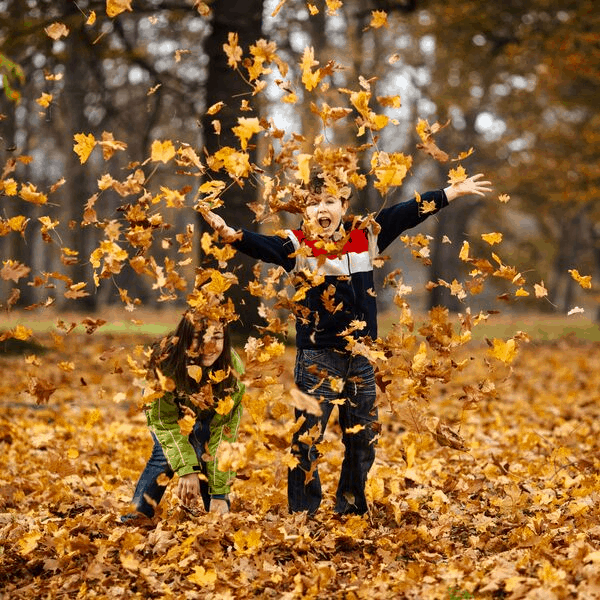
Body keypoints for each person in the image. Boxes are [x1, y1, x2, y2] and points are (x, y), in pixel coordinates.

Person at [201, 170, 491, 516]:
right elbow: (264, 245)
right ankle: (302, 511)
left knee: (362, 439)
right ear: (304, 211)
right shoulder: (297, 245)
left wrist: (450, 192)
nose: (321, 209)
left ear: (344, 205)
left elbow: (405, 212)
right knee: (307, 439)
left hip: (361, 357)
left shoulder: (365, 235)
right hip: (317, 358)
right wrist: (231, 234)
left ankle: (350, 506)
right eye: (313, 203)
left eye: (329, 201)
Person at [121, 311, 245, 521]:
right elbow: (164, 422)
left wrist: (220, 494)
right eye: (199, 337)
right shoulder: (165, 363)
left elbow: (224, 433)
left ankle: (214, 514)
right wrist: (187, 471)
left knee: (204, 448)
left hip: (209, 417)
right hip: (169, 417)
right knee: (164, 456)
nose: (209, 347)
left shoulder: (232, 370)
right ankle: (136, 517)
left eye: (216, 338)